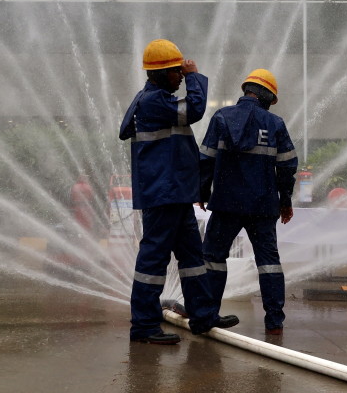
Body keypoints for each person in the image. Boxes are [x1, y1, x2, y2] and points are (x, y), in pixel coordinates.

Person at [118, 39, 239, 345]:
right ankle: (144, 325)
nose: (181, 76)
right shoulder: (152, 101)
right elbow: (195, 110)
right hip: (163, 193)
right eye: (175, 72)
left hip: (176, 192)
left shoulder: (157, 99)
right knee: (153, 261)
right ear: (159, 74)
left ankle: (203, 316)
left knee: (192, 258)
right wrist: (196, 74)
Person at [198, 69, 298, 336]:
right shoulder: (275, 124)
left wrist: (202, 192)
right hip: (263, 207)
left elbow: (205, 159)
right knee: (269, 263)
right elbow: (287, 166)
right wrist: (285, 200)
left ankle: (208, 313)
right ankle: (274, 322)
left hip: (226, 204)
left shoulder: (221, 117)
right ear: (266, 96)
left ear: (246, 90)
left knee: (213, 258)